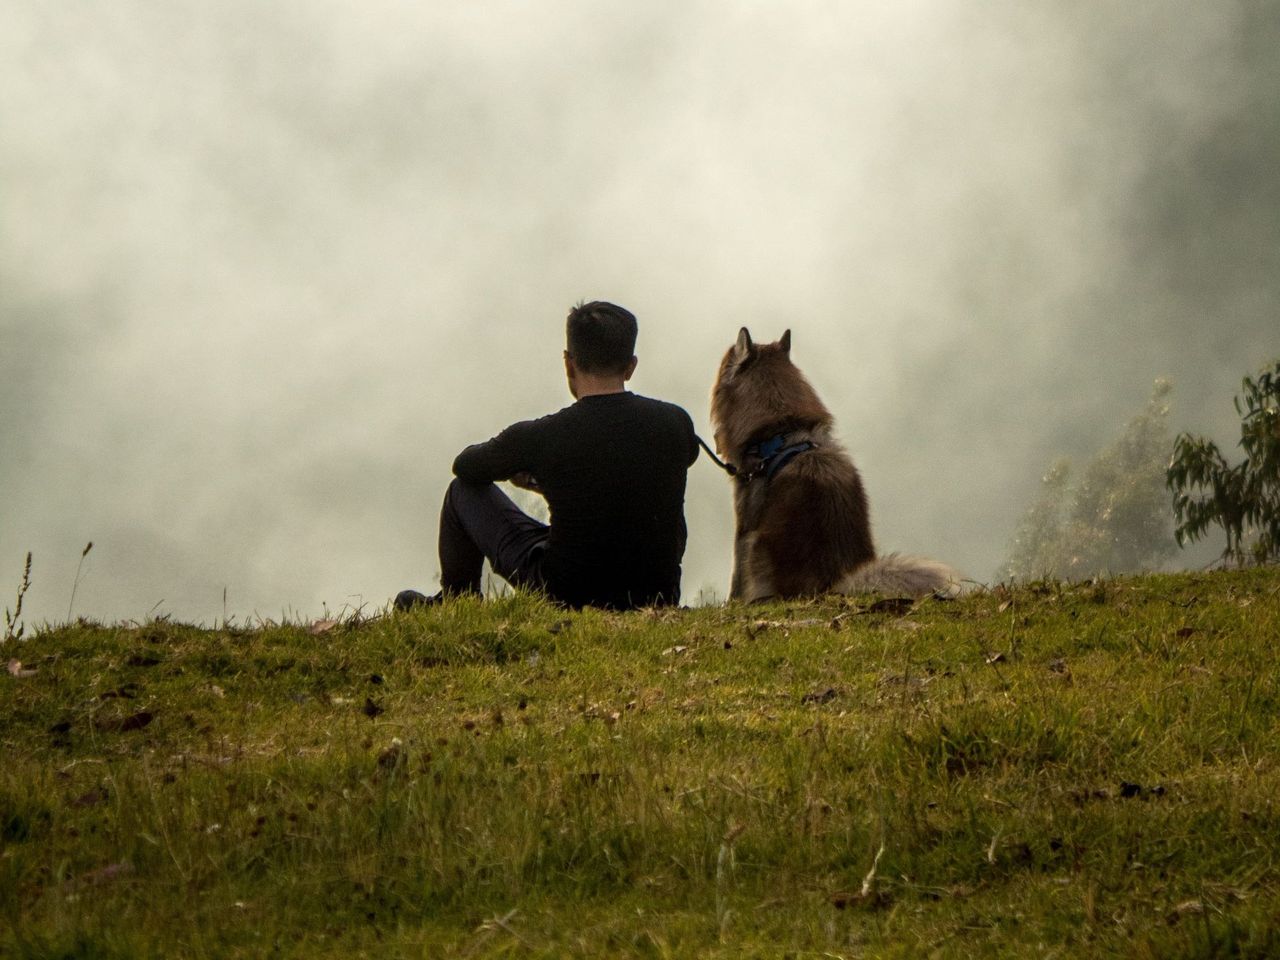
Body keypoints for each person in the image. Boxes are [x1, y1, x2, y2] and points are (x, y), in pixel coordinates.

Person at [395, 301, 699, 611]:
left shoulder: (541, 436)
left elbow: (466, 466)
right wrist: (556, 482)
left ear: (569, 363)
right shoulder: (676, 422)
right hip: (656, 595)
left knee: (462, 491)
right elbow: (643, 469)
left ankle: (458, 602)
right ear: (631, 366)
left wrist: (539, 474)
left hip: (567, 594)